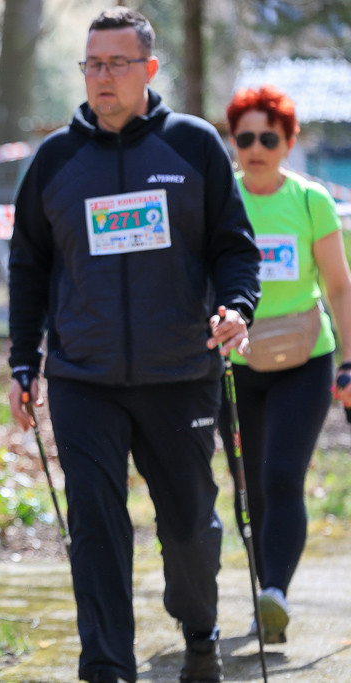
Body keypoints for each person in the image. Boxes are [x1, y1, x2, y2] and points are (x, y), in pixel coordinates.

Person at [7, 8, 261, 683]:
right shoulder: (56, 159)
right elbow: (28, 266)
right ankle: (107, 664)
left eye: (117, 63)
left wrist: (237, 307)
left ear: (149, 69)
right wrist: (20, 360)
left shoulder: (194, 145)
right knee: (95, 522)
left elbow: (234, 248)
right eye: (92, 64)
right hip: (82, 376)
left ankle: (198, 626)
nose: (102, 76)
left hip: (180, 371)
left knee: (189, 530)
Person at [218, 85, 351, 645]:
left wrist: (350, 360)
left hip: (304, 360)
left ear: (288, 141)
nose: (254, 147)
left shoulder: (309, 201)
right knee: (249, 488)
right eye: (243, 137)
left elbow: (339, 287)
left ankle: (274, 593)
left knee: (281, 476)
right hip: (237, 363)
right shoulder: (221, 198)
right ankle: (262, 597)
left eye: (267, 137)